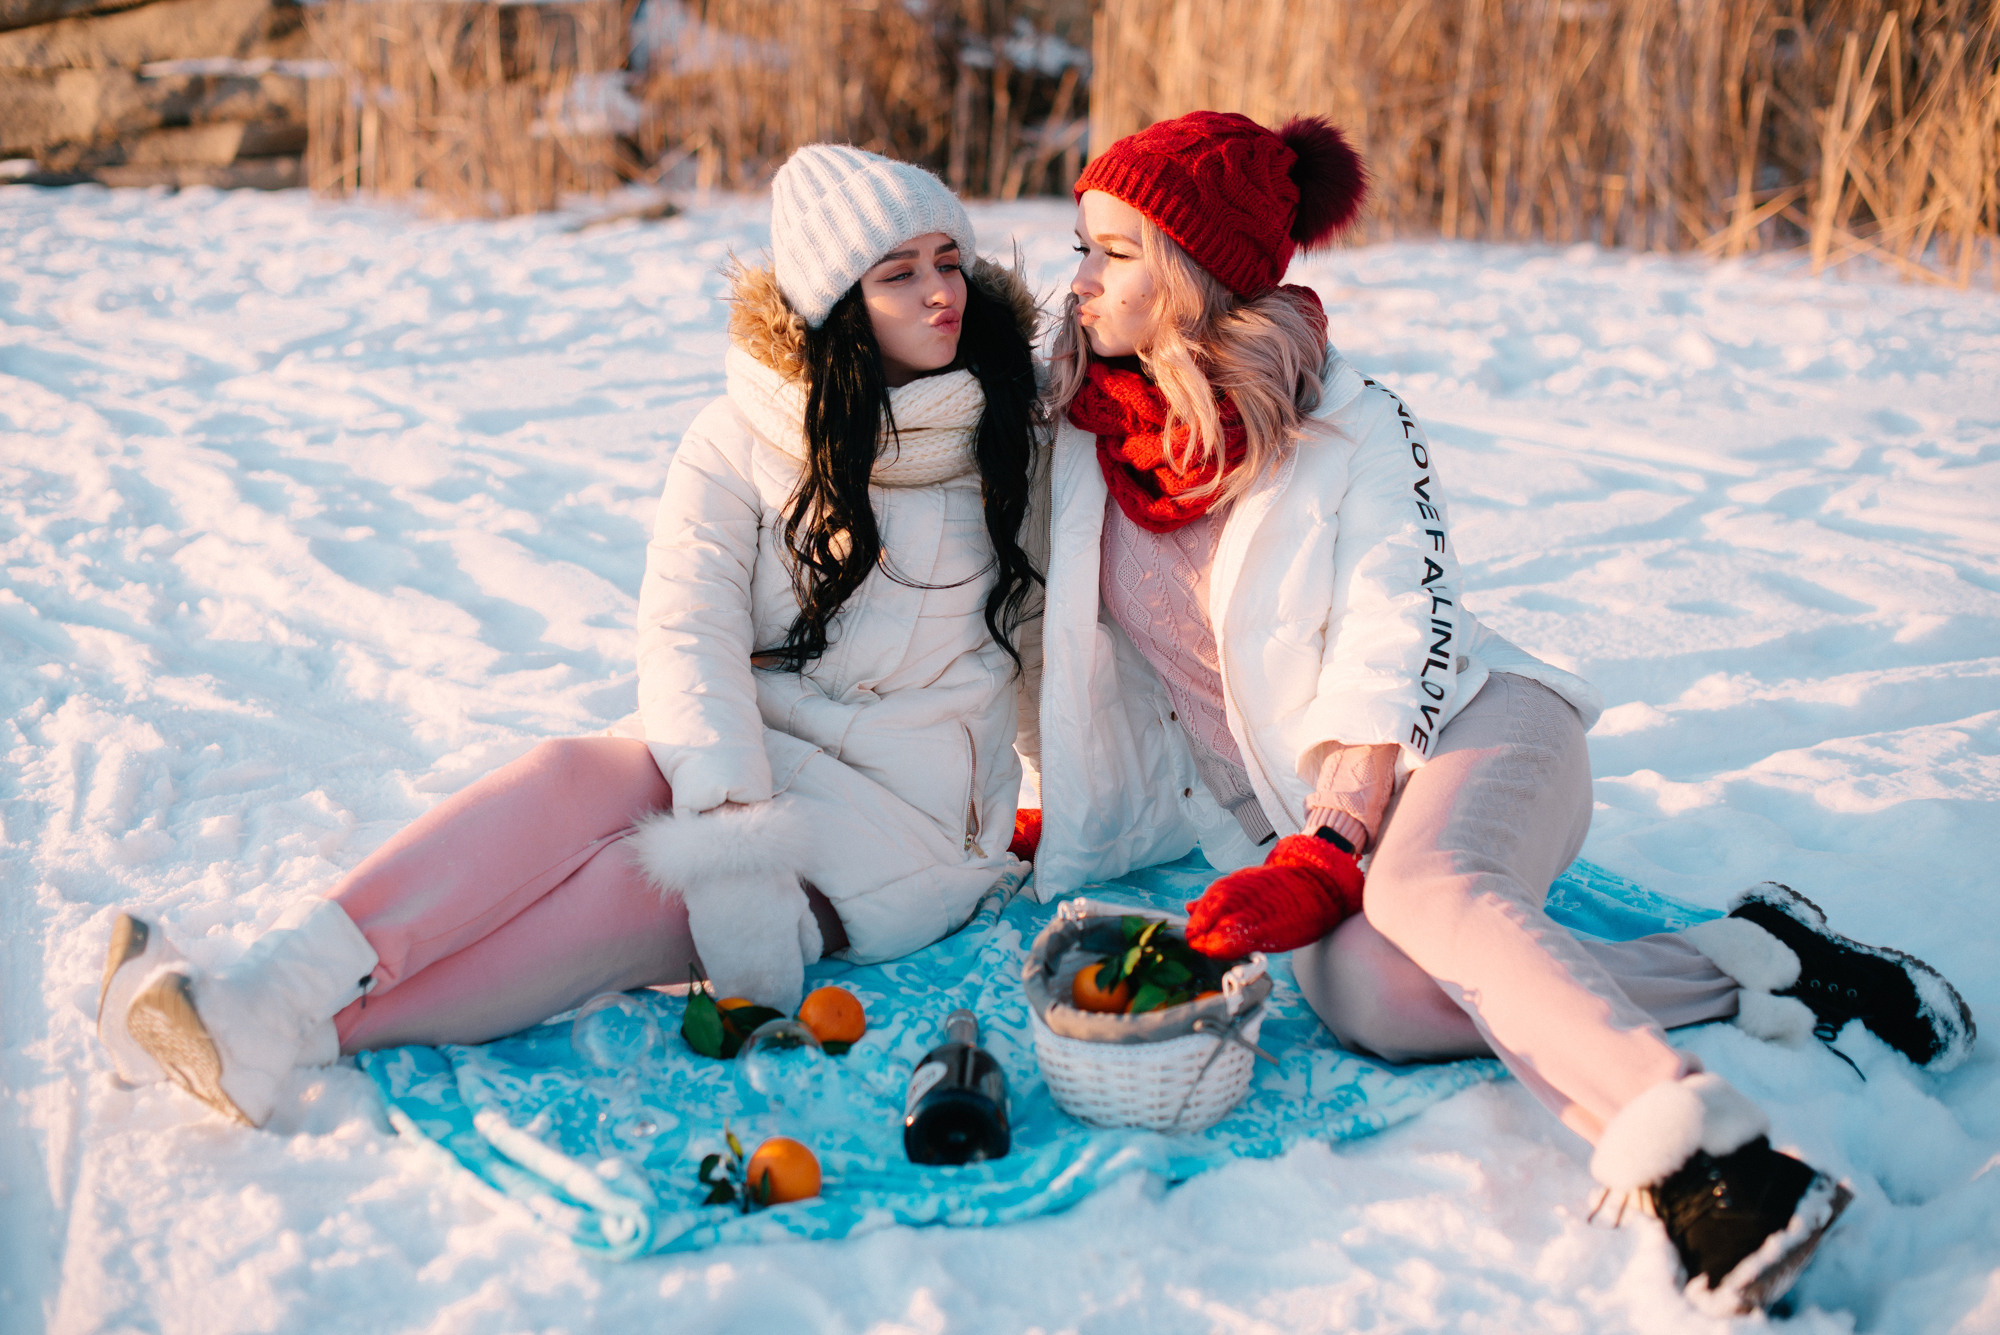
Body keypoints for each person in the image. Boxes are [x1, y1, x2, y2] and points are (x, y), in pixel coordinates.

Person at [1022, 110, 1975, 1317]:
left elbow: (1392, 629)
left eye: (1111, 251)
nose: (1080, 277)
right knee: (1379, 997)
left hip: (1472, 734)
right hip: (1305, 818)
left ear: (1190, 269)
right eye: (1078, 245)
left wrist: (1332, 838)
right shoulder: (1078, 438)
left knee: (1427, 897)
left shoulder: (1351, 422)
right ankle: (1766, 959)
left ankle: (1704, 1164)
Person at [94, 144, 1045, 1132]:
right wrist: (729, 825)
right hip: (758, 753)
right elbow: (688, 633)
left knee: (622, 894)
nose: (941, 293)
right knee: (567, 775)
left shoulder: (1010, 430)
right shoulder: (734, 440)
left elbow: (1064, 648)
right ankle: (269, 998)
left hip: (909, 821)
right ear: (837, 305)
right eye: (899, 274)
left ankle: (300, 1036)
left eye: (947, 259)